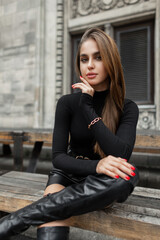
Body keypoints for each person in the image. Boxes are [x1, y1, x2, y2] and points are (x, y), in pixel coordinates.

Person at [0, 27, 139, 240]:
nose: (90, 65)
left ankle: (11, 222)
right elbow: (58, 157)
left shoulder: (127, 108)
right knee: (52, 212)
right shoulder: (67, 103)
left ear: (111, 61)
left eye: (98, 58)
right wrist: (96, 164)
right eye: (84, 59)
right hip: (67, 175)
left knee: (128, 175)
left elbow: (121, 154)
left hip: (101, 183)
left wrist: (89, 109)